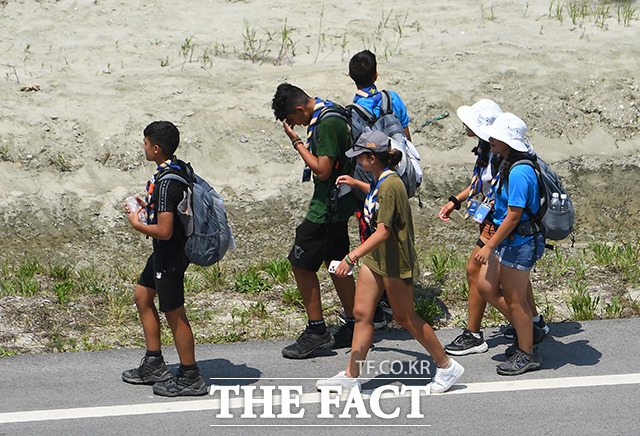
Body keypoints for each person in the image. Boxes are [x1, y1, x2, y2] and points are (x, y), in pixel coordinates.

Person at [316, 131, 464, 393]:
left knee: (404, 316)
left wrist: (351, 257)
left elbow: (383, 230)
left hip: (395, 260)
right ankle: (351, 377)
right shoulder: (380, 179)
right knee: (362, 315)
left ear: (372, 158)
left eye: (360, 158)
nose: (358, 162)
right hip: (377, 257)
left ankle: (446, 366)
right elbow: (376, 194)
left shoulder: (390, 185)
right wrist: (357, 183)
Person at [440, 100, 549, 356]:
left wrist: (489, 243)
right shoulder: (490, 150)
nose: (465, 125)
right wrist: (457, 200)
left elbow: (513, 212)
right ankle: (531, 324)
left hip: (501, 227)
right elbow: (483, 185)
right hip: (498, 224)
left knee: (485, 278)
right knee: (512, 285)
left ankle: (482, 333)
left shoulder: (503, 157)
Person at [121, 121, 207, 396]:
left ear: (155, 148)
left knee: (175, 314)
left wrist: (137, 223)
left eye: (145, 143)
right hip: (163, 253)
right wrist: (148, 207)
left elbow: (165, 230)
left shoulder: (167, 183)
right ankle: (154, 364)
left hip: (170, 254)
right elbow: (168, 214)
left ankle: (190, 376)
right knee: (142, 296)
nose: (143, 147)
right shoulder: (175, 169)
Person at [271, 83, 357, 358]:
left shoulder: (327, 123)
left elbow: (322, 170)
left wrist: (296, 142)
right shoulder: (328, 111)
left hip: (325, 209)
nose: (295, 124)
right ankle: (356, 324)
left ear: (299, 109)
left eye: (293, 120)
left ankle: (317, 329)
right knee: (336, 264)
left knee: (300, 265)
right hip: (338, 205)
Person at [474, 113, 546, 375]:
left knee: (517, 301)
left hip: (519, 242)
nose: (490, 139)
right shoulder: (508, 163)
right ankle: (528, 330)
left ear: (509, 141)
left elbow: (514, 216)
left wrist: (489, 245)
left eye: (496, 136)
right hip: (510, 241)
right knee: (485, 286)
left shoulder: (519, 172)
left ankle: (527, 353)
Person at [348, 49, 413, 325]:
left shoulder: (352, 111)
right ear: (376, 74)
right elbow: (407, 137)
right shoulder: (392, 99)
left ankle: (381, 298)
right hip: (397, 173)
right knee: (398, 230)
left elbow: (355, 153)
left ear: (351, 77)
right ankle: (389, 294)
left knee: (374, 233)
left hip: (372, 182)